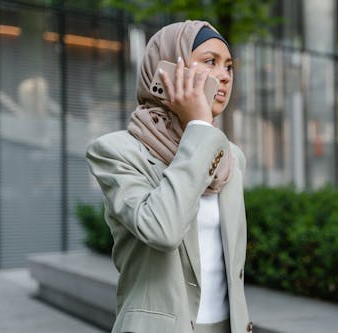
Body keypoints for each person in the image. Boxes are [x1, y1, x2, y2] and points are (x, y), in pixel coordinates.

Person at [86, 20, 252, 333]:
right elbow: (162, 229)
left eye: (229, 66)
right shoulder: (116, 151)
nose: (224, 76)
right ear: (167, 71)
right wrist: (199, 128)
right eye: (210, 62)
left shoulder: (230, 156)